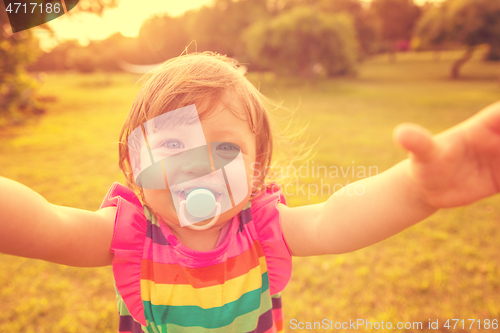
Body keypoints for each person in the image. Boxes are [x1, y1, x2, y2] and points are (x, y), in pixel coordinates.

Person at [1, 52, 499, 333]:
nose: (196, 169)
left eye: (224, 149)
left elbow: (336, 219)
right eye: (173, 144)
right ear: (133, 164)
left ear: (257, 170)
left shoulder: (261, 226)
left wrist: (417, 189)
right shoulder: (127, 233)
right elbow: (46, 224)